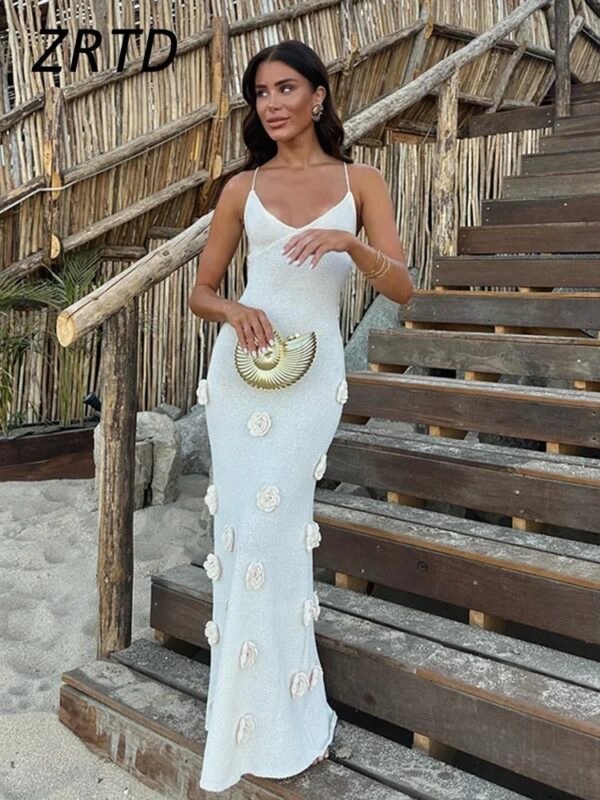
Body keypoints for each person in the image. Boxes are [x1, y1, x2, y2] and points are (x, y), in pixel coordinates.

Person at [188, 38, 413, 793]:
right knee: (242, 534)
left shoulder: (361, 182)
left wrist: (350, 241)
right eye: (260, 93)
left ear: (318, 96)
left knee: (277, 533)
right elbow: (202, 291)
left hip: (313, 382)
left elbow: (403, 286)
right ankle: (244, 719)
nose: (272, 103)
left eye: (286, 88)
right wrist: (235, 309)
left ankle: (289, 717)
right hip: (242, 376)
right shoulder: (241, 189)